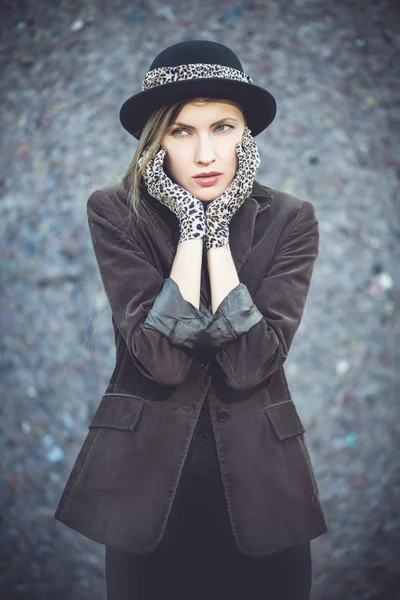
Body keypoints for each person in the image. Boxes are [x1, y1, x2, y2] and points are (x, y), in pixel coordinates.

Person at [54, 40, 328, 600]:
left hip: (263, 495)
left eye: (223, 127)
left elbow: (252, 363)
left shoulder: (291, 220)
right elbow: (159, 359)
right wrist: (190, 228)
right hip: (144, 496)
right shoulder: (115, 211)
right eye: (182, 131)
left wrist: (219, 231)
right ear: (157, 142)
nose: (206, 153)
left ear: (246, 136)